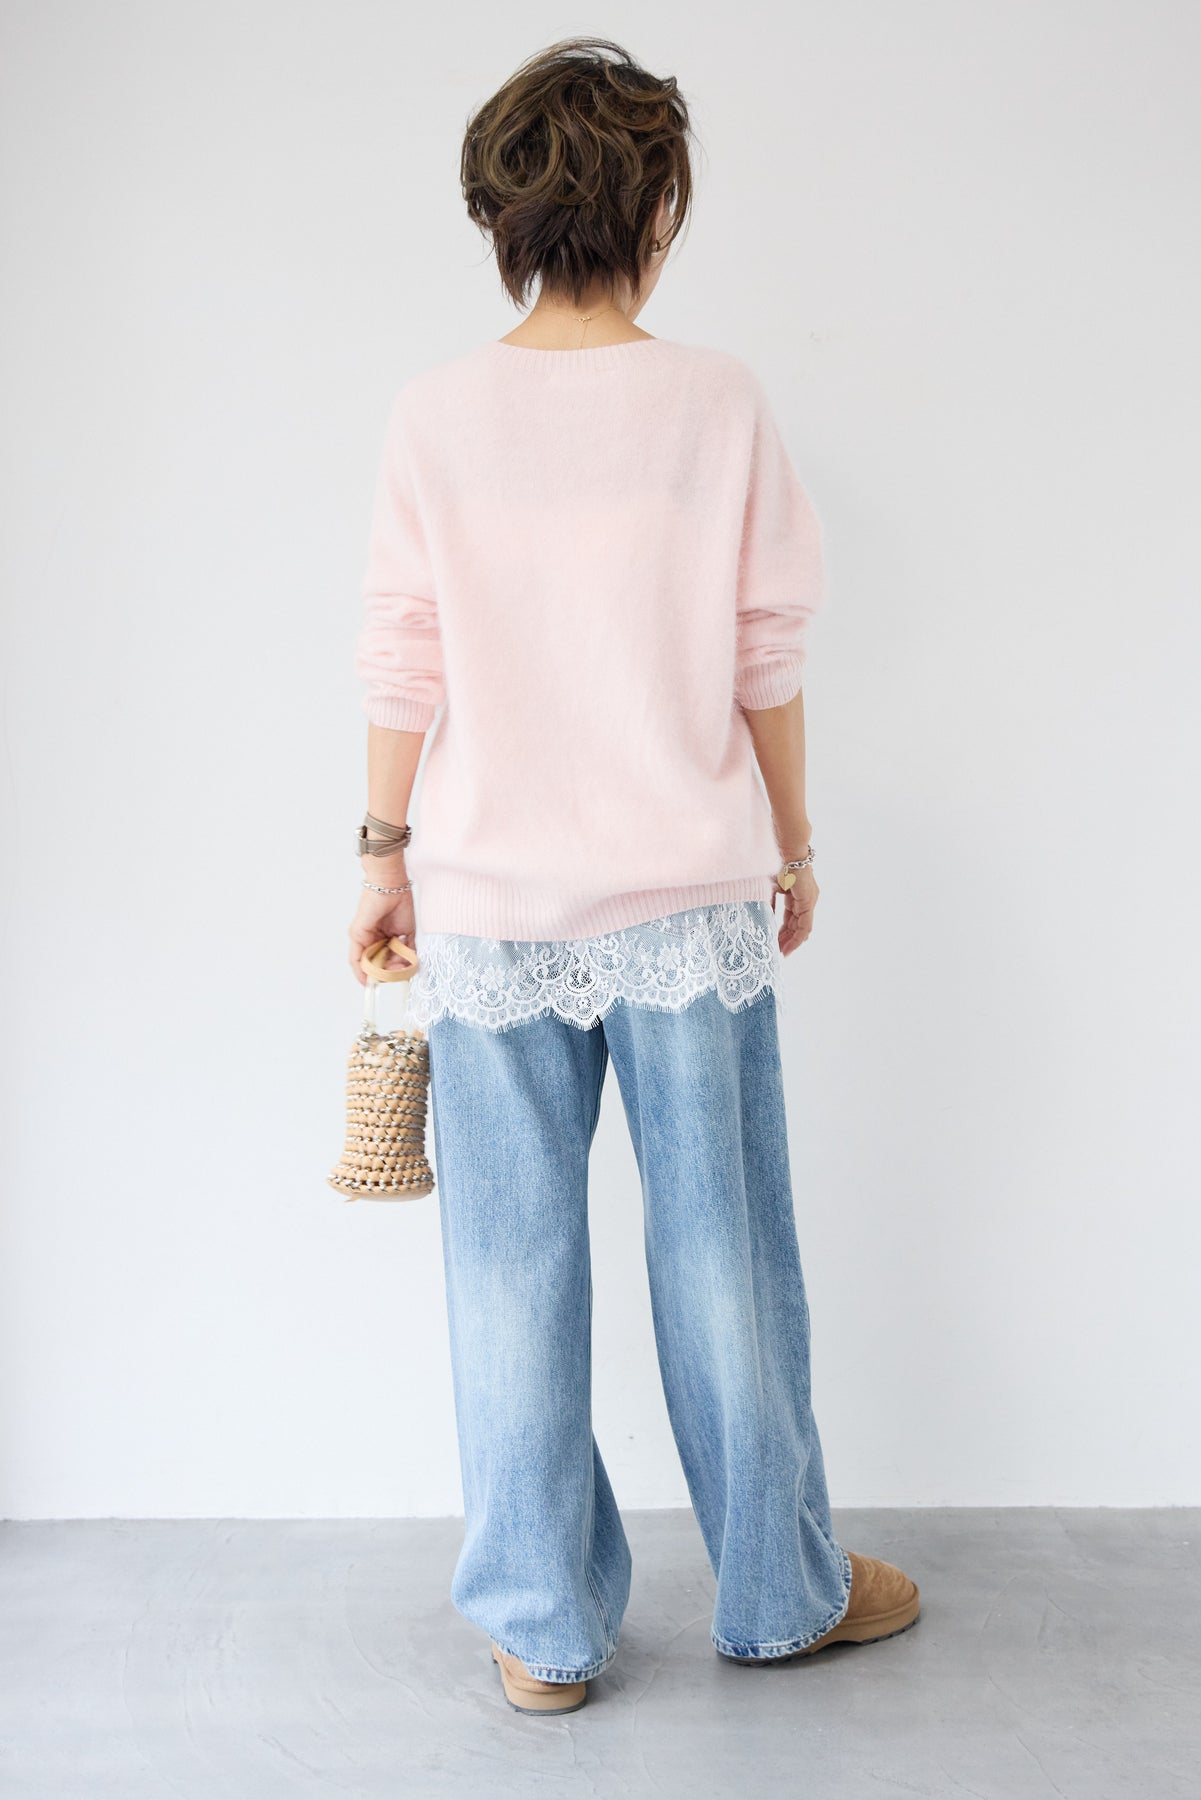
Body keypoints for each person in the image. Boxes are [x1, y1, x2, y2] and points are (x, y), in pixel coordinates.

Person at [346, 35, 920, 1717]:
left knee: (508, 1272)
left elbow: (402, 652)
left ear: (500, 216)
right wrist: (792, 846)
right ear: (654, 206)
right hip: (685, 893)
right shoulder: (715, 400)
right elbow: (764, 654)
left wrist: (382, 855)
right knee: (722, 1253)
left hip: (489, 904)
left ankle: (541, 1630)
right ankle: (778, 1591)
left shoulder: (434, 413)